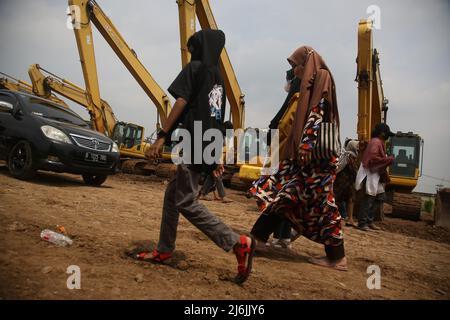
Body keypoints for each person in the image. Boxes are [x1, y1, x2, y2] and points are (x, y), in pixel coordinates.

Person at [141, 29, 255, 284]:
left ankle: (237, 243)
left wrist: (162, 136)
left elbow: (181, 103)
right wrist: (215, 155)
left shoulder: (194, 68)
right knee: (173, 196)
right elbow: (214, 117)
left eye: (193, 47)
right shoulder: (218, 79)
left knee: (184, 200)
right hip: (209, 141)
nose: (192, 52)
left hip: (194, 139)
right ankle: (164, 249)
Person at [249, 46, 347, 271]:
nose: (294, 72)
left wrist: (305, 144)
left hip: (317, 160)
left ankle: (337, 257)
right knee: (285, 196)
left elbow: (317, 111)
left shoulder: (321, 77)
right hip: (306, 160)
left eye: (295, 66)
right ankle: (257, 238)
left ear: (306, 64)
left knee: (323, 206)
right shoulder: (309, 82)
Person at [246, 55, 301, 250]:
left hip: (284, 150)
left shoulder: (296, 88)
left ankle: (278, 234)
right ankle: (282, 234)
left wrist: (272, 131)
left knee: (277, 191)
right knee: (284, 192)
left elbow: (284, 117)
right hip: (289, 150)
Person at [355, 123, 395, 231]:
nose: (387, 136)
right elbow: (372, 159)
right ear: (382, 133)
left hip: (375, 173)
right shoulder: (376, 142)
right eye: (387, 134)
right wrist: (388, 159)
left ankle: (369, 220)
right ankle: (362, 223)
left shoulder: (378, 142)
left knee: (380, 197)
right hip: (370, 172)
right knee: (369, 198)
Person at [334, 139, 359, 227]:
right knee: (340, 199)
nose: (358, 147)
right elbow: (351, 168)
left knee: (350, 199)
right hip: (344, 181)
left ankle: (350, 219)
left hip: (347, 181)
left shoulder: (349, 155)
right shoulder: (349, 155)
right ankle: (348, 218)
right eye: (357, 146)